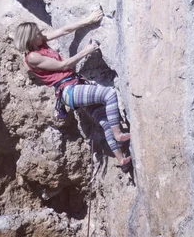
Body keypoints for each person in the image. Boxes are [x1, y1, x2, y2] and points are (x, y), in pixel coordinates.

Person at [14, 9, 132, 171]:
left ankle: (122, 161)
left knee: (104, 121)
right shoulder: (33, 57)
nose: (41, 34)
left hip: (74, 86)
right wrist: (87, 50)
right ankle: (118, 135)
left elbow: (64, 30)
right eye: (37, 33)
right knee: (109, 94)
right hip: (69, 91)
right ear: (30, 38)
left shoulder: (40, 43)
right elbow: (63, 65)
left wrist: (88, 20)